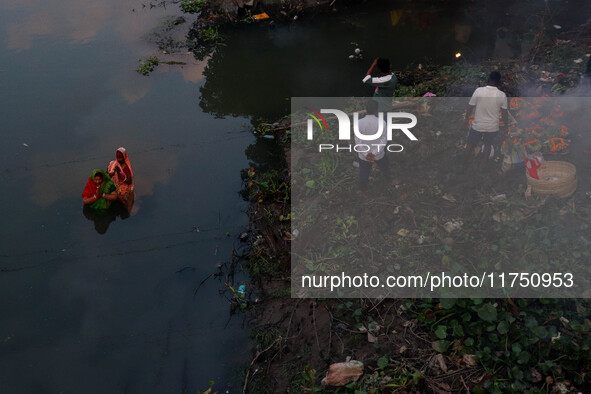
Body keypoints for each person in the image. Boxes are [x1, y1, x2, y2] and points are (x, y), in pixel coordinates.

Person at [463, 71, 508, 167]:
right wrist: (506, 126)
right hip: (492, 127)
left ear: (488, 79)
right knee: (488, 145)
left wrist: (466, 119)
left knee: (470, 144)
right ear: (498, 82)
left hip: (477, 125)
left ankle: (463, 164)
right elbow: (504, 114)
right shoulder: (502, 95)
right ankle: (482, 166)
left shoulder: (479, 91)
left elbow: (470, 107)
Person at [355, 99, 393, 192]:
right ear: (376, 111)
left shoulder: (358, 123)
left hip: (364, 156)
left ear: (366, 110)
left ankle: (362, 190)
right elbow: (383, 140)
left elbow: (358, 142)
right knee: (385, 167)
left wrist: (366, 154)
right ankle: (390, 181)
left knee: (364, 172)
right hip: (379, 154)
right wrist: (374, 153)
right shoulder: (382, 123)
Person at [107, 147, 134, 212]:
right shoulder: (113, 164)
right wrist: (111, 174)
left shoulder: (126, 167)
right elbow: (107, 174)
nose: (119, 160)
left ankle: (121, 206)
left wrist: (119, 173)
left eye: (120, 158)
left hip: (123, 185)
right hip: (114, 183)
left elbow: (129, 181)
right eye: (117, 158)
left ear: (124, 157)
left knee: (122, 193)